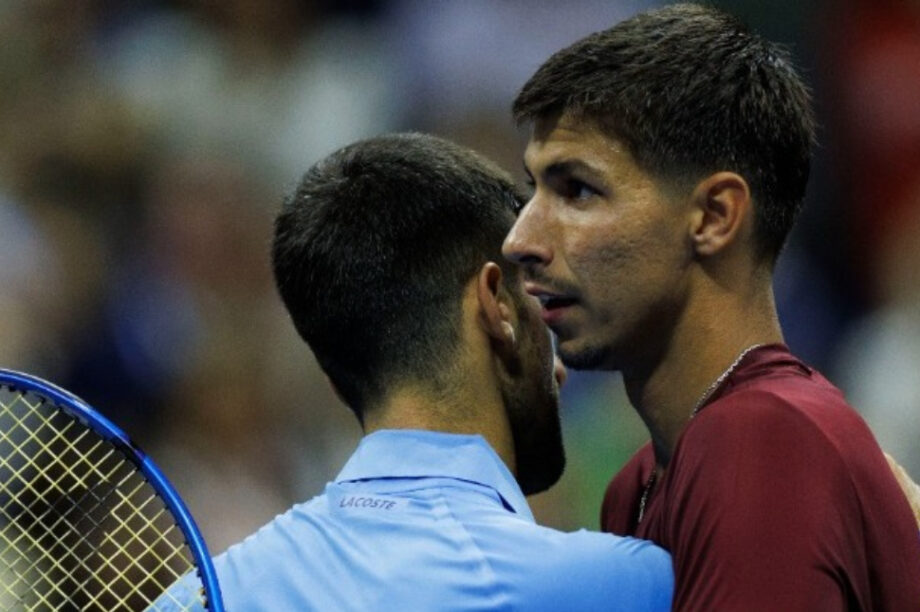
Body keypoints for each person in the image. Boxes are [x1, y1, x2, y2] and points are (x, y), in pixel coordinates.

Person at [502, 3, 920, 610]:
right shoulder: (641, 482)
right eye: (533, 188)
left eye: (578, 190)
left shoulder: (762, 441)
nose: (521, 240)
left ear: (716, 216)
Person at [158, 132, 672, 610]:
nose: (557, 368)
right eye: (536, 299)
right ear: (498, 307)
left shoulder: (200, 598)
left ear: (336, 381)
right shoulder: (620, 585)